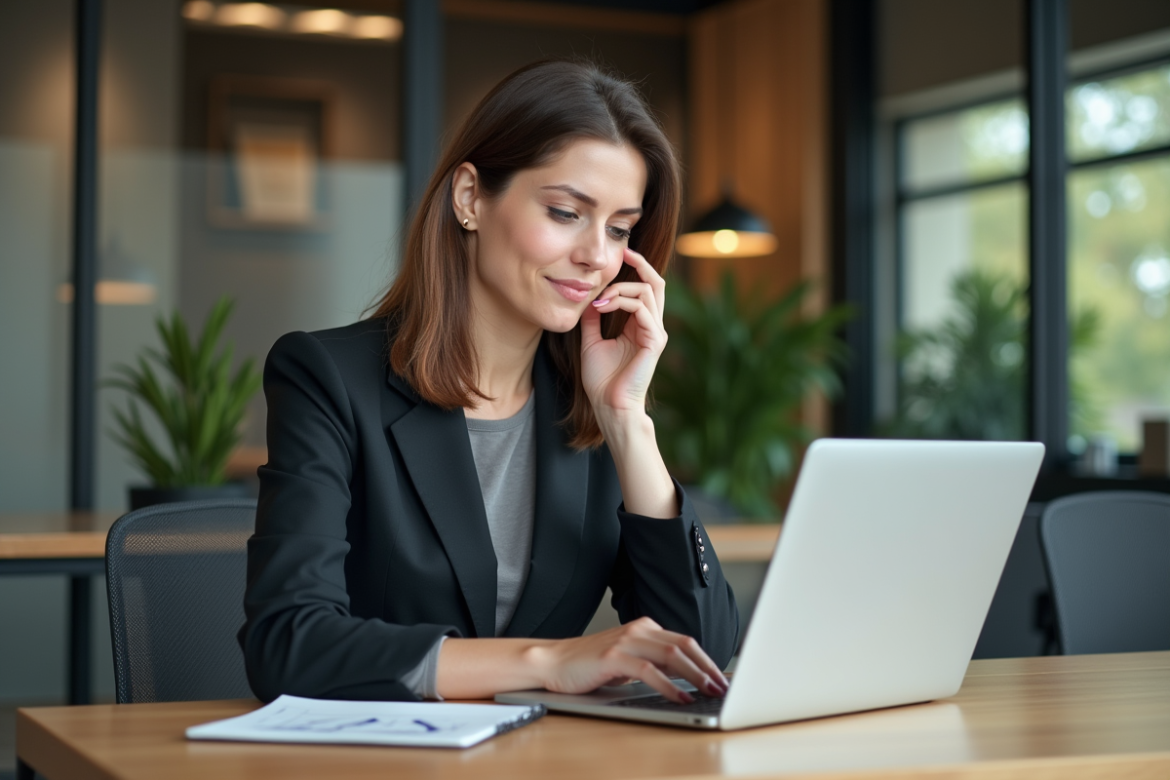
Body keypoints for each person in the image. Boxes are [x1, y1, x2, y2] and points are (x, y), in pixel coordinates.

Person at [240, 60, 739, 705]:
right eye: (565, 212)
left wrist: (626, 422)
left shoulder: (588, 406)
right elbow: (287, 644)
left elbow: (700, 658)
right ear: (470, 198)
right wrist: (546, 661)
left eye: (619, 229)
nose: (597, 255)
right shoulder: (329, 378)